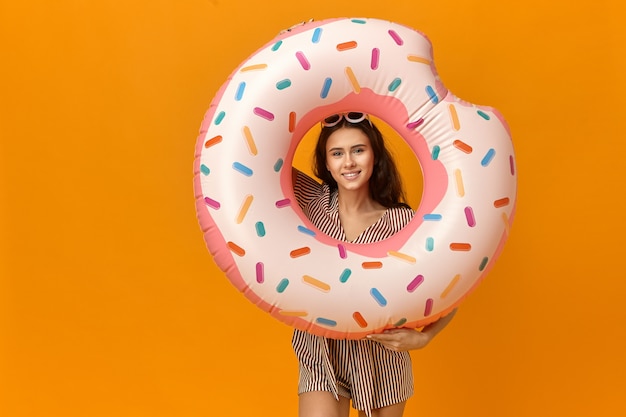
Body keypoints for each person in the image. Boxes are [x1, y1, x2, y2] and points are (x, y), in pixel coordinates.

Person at [291, 112, 457, 417]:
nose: (349, 162)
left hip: (382, 356)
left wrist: (424, 337)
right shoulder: (313, 202)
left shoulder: (403, 222)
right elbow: (257, 165)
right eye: (337, 153)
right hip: (321, 351)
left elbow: (452, 287)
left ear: (374, 155)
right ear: (326, 163)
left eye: (358, 150)